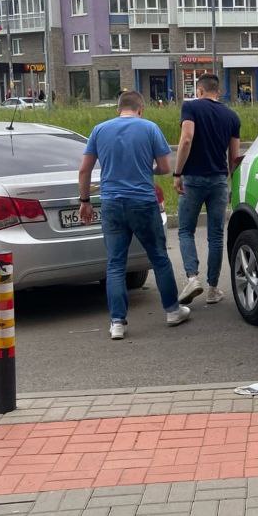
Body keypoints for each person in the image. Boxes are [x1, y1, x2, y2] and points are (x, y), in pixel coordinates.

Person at [78, 90, 191, 339]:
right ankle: (173, 311)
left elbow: (84, 170)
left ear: (118, 109)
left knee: (115, 263)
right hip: (143, 202)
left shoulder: (99, 130)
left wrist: (85, 201)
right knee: (159, 257)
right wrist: (146, 168)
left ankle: (117, 322)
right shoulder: (149, 128)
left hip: (111, 203)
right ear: (141, 109)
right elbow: (165, 167)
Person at [174, 73, 242, 306]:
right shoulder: (232, 116)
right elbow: (234, 158)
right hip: (219, 180)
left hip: (193, 179)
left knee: (186, 231)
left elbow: (186, 139)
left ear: (200, 91)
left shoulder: (191, 107)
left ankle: (193, 278)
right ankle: (213, 289)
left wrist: (177, 173)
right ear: (218, 92)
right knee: (216, 235)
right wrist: (230, 184)